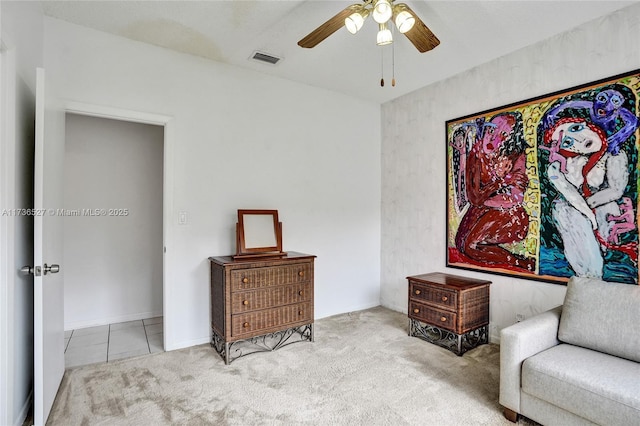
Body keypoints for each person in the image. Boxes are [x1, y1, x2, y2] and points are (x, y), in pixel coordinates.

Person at [543, 117, 635, 278]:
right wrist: (588, 213)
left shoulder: (613, 154)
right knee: (566, 212)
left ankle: (604, 255)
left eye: (576, 129)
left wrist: (591, 207)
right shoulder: (559, 168)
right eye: (567, 143)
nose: (578, 140)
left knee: (605, 207)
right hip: (572, 208)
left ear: (586, 125)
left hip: (601, 204)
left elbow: (616, 190)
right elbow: (570, 196)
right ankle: (590, 274)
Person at [455, 112, 533, 271]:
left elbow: (514, 198)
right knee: (461, 244)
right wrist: (502, 181)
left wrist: (485, 196)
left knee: (471, 246)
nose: (493, 138)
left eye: (503, 135)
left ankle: (520, 263)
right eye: (491, 130)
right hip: (479, 210)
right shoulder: (476, 152)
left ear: (511, 139)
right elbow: (474, 198)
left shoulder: (516, 155)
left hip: (508, 215)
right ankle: (516, 259)